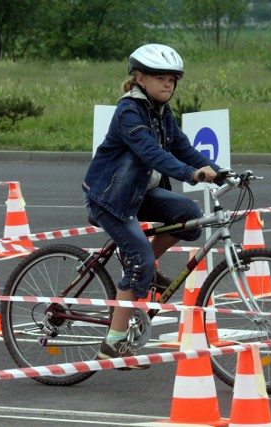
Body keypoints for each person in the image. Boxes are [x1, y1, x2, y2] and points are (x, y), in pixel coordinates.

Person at [82, 43, 219, 369]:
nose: (168, 84)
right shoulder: (129, 111)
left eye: (173, 79)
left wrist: (219, 171)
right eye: (161, 78)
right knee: (140, 260)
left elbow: (183, 147)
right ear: (140, 78)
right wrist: (190, 173)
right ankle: (112, 346)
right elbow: (151, 154)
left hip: (139, 193)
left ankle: (142, 265)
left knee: (190, 216)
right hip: (110, 199)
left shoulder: (161, 112)